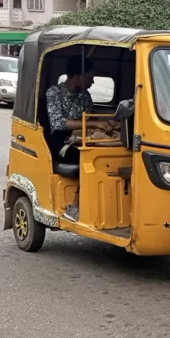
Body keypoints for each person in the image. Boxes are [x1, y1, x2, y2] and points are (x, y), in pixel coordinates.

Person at [46, 54, 113, 221]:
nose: (93, 82)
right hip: (60, 140)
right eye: (90, 77)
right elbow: (58, 123)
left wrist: (108, 124)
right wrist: (94, 124)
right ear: (78, 76)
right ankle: (74, 206)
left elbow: (91, 119)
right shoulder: (54, 93)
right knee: (87, 159)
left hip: (83, 137)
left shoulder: (85, 96)